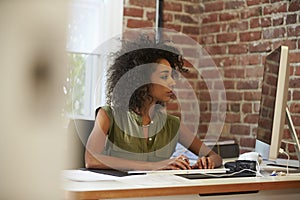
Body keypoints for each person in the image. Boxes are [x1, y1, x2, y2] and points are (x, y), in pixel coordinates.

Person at [85, 34, 222, 171]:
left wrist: (207, 161)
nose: (172, 82)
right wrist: (154, 166)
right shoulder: (108, 116)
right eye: (164, 76)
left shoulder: (172, 124)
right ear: (142, 80)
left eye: (171, 76)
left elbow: (215, 157)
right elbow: (91, 159)